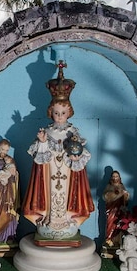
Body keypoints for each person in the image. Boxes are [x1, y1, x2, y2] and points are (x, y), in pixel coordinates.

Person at [22, 64, 95, 241]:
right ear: (51, 113)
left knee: (68, 192)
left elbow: (79, 154)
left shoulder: (73, 132)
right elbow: (38, 158)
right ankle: (47, 218)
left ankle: (68, 218)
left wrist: (76, 154)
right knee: (49, 193)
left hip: (68, 173)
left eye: (63, 112)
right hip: (50, 172)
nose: (60, 116)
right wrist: (42, 142)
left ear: (69, 112)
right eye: (56, 113)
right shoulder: (46, 132)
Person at [102, 170, 129, 247]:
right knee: (110, 224)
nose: (115, 178)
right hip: (111, 210)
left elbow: (125, 199)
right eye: (113, 176)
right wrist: (115, 194)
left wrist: (125, 195)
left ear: (119, 178)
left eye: (116, 176)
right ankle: (108, 239)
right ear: (111, 178)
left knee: (119, 224)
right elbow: (105, 197)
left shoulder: (121, 186)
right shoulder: (109, 186)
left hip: (119, 210)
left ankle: (118, 240)